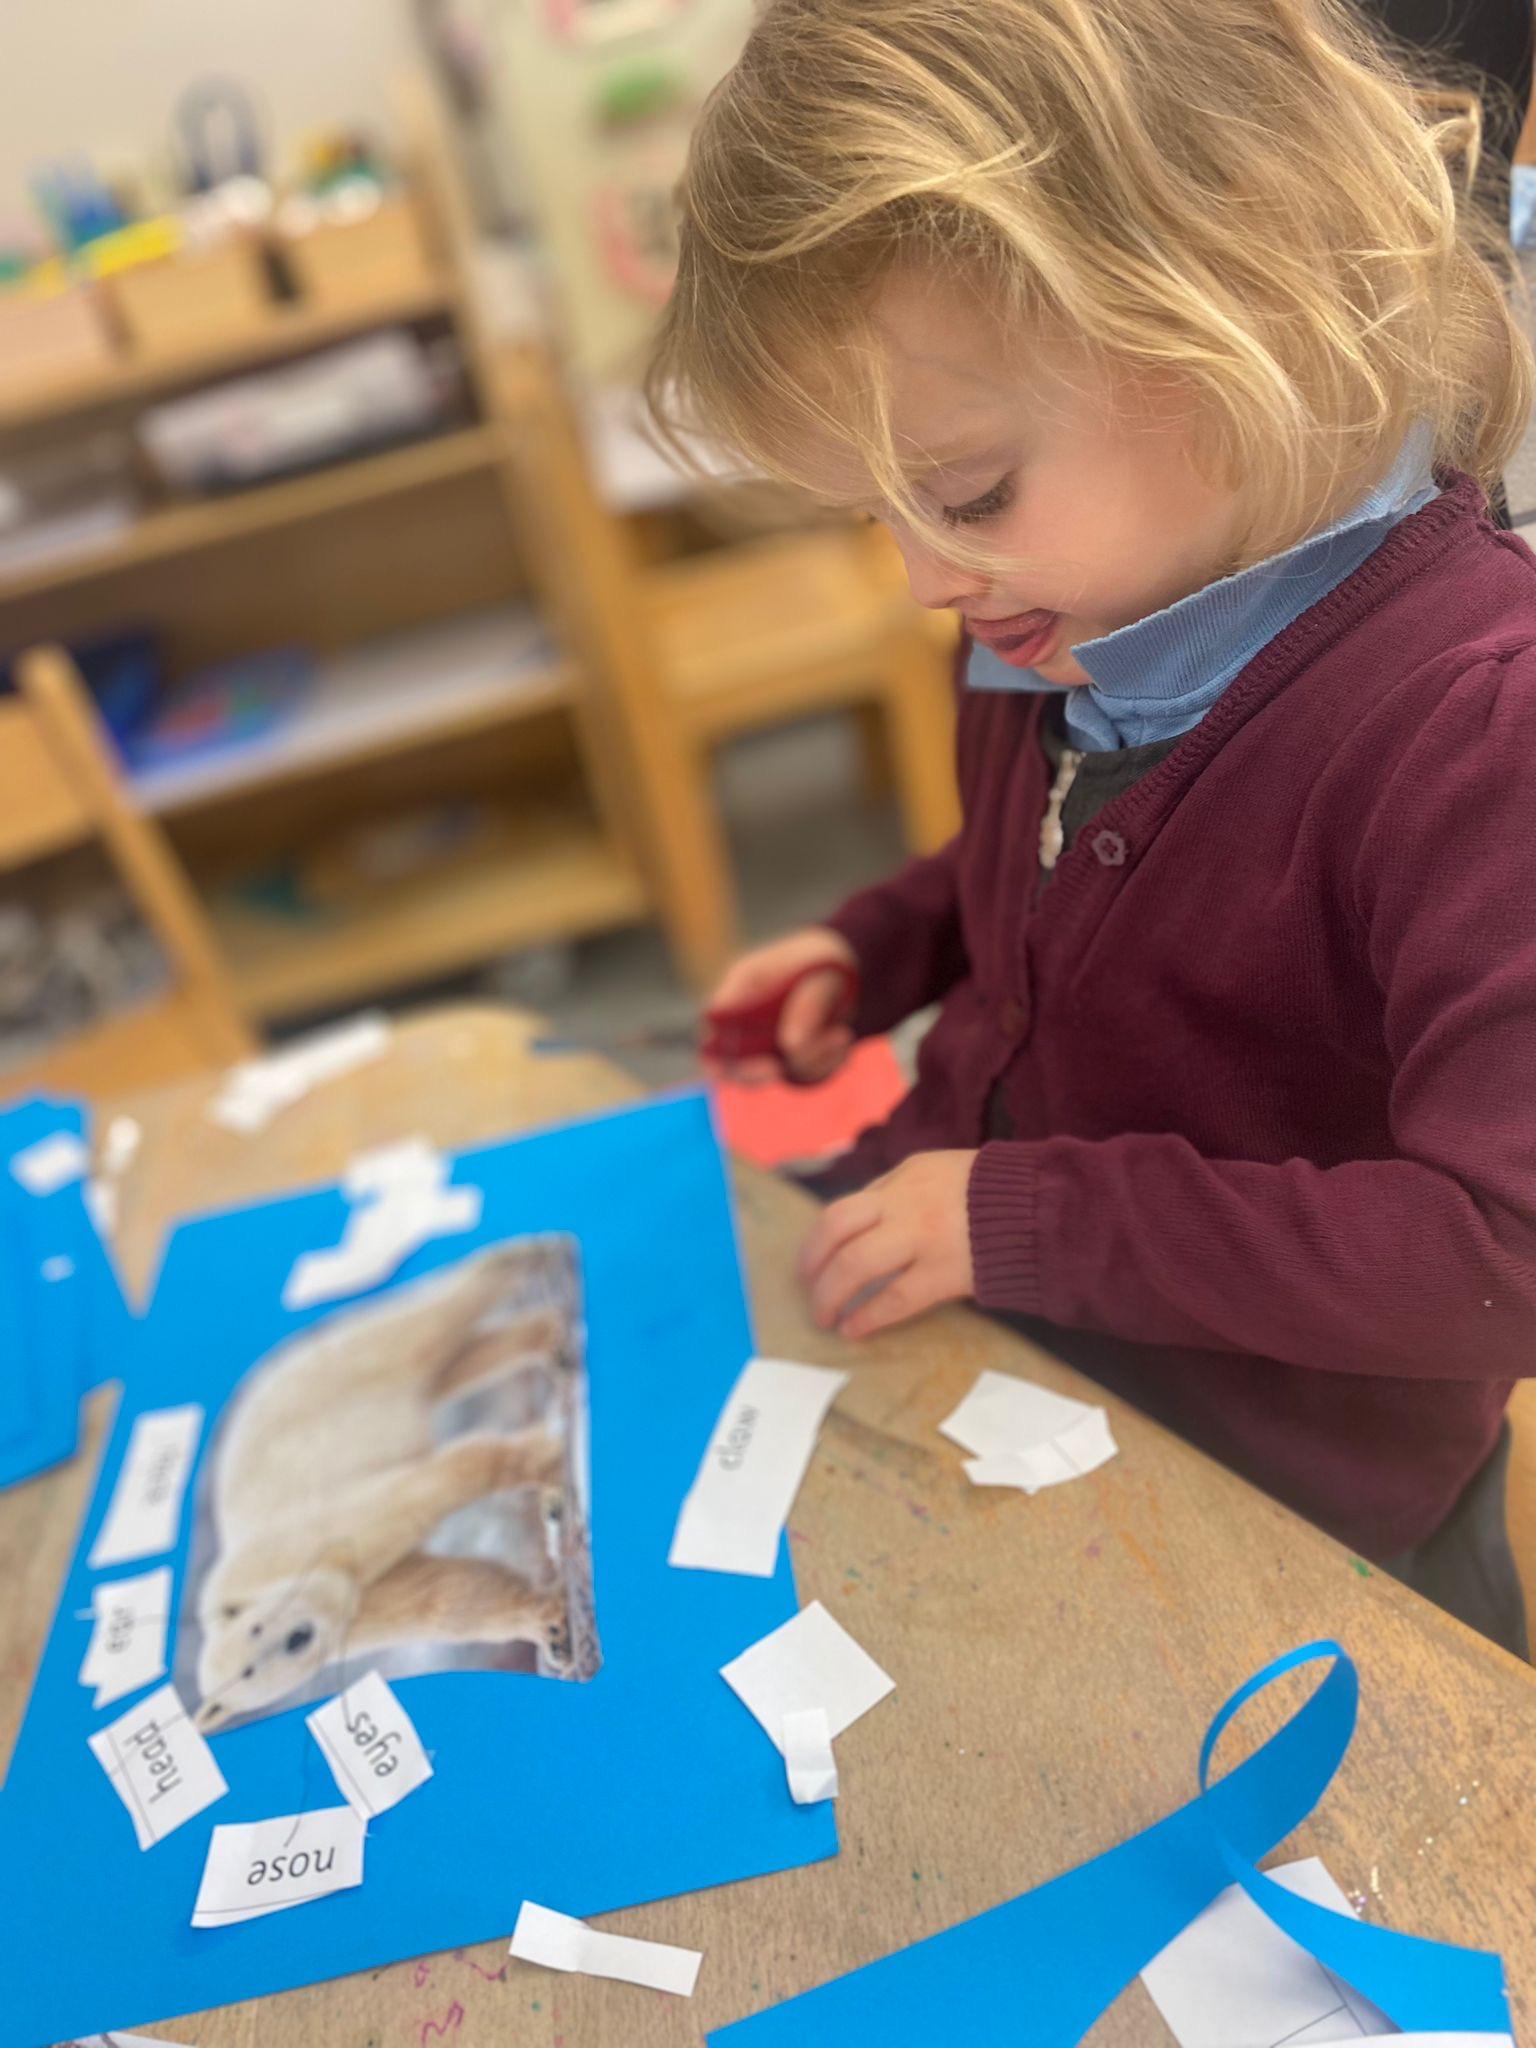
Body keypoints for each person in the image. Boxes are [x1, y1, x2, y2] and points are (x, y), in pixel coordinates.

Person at [646, 0, 1536, 1656]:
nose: (925, 575)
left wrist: (1035, 1217)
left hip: (1304, 1524)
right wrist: (882, 944)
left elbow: (1502, 1252)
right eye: (877, 511)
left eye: (965, 493)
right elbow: (1063, 858)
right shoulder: (1064, 599)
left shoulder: (1477, 734)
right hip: (1013, 1376)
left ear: (1239, 305)